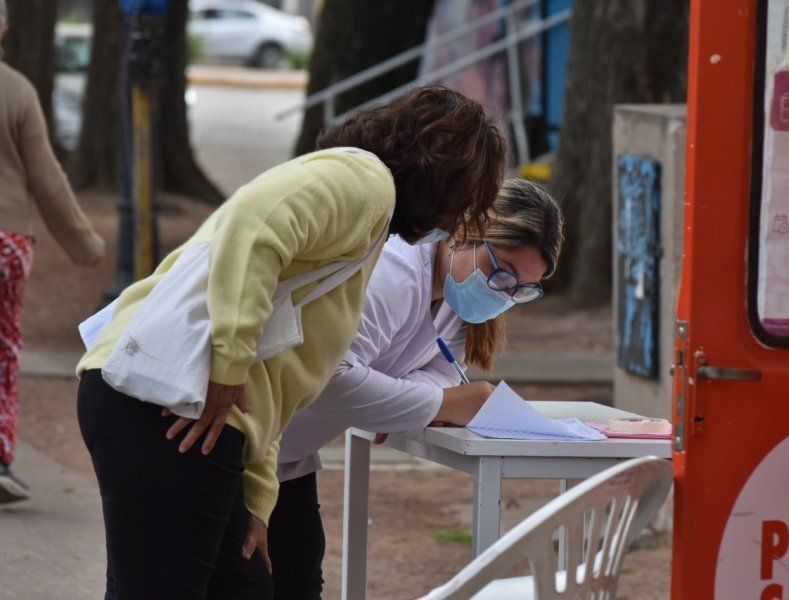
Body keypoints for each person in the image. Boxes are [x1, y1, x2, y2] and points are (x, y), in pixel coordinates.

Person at [75, 85, 506, 599]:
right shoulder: (364, 180)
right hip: (168, 400)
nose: (456, 221)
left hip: (186, 406)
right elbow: (254, 227)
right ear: (445, 175)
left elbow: (280, 375)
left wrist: (259, 498)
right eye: (466, 200)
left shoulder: (367, 222)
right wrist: (227, 368)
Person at [268, 178, 564, 599]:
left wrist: (401, 404)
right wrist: (435, 404)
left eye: (521, 290)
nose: (505, 294)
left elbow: (440, 371)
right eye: (502, 271)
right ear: (467, 230)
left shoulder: (457, 301)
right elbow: (327, 379)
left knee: (297, 580)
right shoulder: (397, 271)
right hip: (240, 443)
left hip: (284, 458)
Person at [0, 0, 105, 503]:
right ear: (3, 30)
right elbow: (45, 176)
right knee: (3, 347)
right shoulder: (17, 90)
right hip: (6, 240)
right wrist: (84, 244)